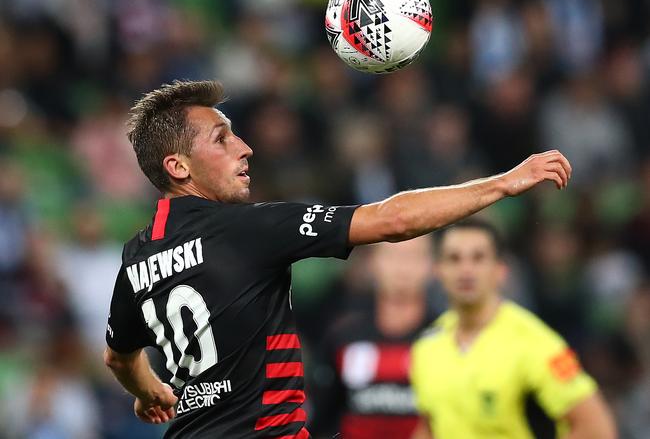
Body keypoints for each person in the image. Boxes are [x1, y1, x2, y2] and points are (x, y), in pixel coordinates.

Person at [103, 79, 572, 439]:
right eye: (222, 139)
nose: (245, 148)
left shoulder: (136, 259)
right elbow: (393, 221)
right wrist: (502, 183)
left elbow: (119, 357)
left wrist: (148, 392)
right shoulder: (250, 229)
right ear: (178, 167)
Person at [410, 220, 617, 439]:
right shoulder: (427, 346)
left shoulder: (534, 341)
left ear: (500, 270)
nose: (466, 270)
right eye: (454, 259)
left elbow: (597, 428)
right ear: (438, 271)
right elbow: (430, 427)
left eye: (478, 258)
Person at [309, 236, 436, 439]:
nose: (402, 268)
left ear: (432, 265)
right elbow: (320, 417)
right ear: (373, 262)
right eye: (393, 256)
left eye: (413, 256)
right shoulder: (343, 337)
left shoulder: (446, 337)